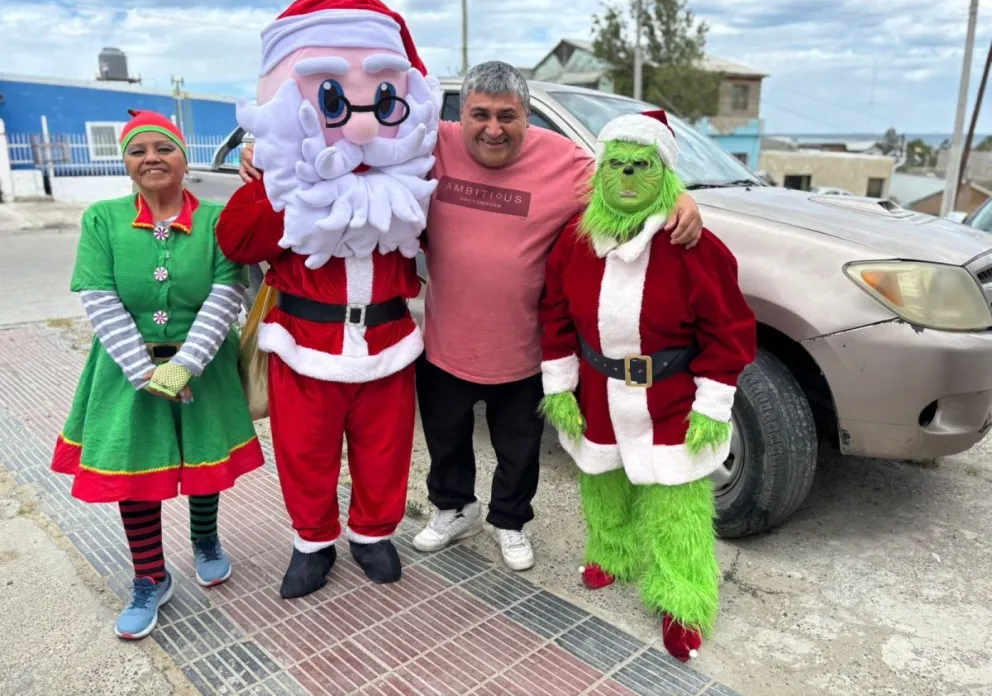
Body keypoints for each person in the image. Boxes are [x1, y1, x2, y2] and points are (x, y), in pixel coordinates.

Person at [238, 60, 703, 572]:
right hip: (444, 345)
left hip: (521, 351)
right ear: (464, 116)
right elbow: (352, 138)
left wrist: (679, 195)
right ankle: (454, 509)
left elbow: (629, 177)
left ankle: (509, 521)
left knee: (519, 449)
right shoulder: (436, 143)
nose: (494, 128)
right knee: (446, 441)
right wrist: (264, 152)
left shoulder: (566, 162)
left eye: (508, 116)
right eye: (480, 114)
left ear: (527, 117)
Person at [216, 0, 442, 598]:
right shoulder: (280, 180)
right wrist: (277, 174)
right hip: (303, 341)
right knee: (305, 451)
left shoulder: (414, 177)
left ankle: (372, 534)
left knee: (386, 450)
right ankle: (312, 542)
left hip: (388, 341)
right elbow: (236, 239)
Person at [537, 109, 756, 661]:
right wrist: (559, 383)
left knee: (677, 505)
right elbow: (555, 313)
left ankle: (683, 598)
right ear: (598, 171)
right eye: (616, 166)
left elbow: (728, 330)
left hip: (671, 399)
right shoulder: (575, 239)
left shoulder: (696, 248)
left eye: (642, 166)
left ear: (666, 175)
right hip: (598, 392)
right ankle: (612, 554)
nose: (628, 177)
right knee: (602, 483)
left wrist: (714, 403)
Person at [52, 109, 265, 640]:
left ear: (184, 156)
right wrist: (145, 371)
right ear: (125, 162)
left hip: (204, 361)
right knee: (135, 474)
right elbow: (99, 298)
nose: (152, 159)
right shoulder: (102, 219)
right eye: (138, 150)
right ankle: (150, 576)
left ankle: (205, 540)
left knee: (203, 458)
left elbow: (227, 293)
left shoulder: (217, 219)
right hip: (125, 369)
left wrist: (185, 366)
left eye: (163, 148)